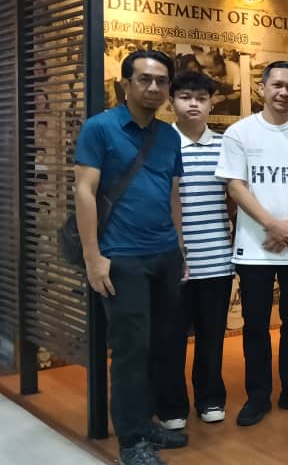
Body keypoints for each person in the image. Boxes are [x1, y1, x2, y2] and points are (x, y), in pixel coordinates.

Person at [73, 49, 189, 465]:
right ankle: (131, 440)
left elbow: (172, 194)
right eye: (145, 79)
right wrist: (93, 257)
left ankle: (145, 422)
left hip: (164, 254)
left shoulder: (169, 135)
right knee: (130, 351)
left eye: (162, 81)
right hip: (122, 258)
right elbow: (84, 191)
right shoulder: (99, 128)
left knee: (161, 344)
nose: (154, 87)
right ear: (125, 84)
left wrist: (180, 247)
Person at [215, 61, 288, 427]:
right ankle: (258, 395)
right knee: (255, 326)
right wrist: (271, 225)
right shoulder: (240, 133)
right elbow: (235, 186)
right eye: (277, 85)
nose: (284, 92)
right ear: (262, 88)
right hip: (255, 247)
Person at [157, 71, 235, 432]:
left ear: (211, 103)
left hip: (217, 259)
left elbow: (234, 197)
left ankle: (210, 398)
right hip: (172, 261)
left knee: (211, 337)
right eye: (186, 96)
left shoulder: (225, 146)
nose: (193, 104)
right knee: (171, 338)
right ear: (172, 100)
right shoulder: (161, 144)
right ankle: (172, 405)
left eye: (201, 98)